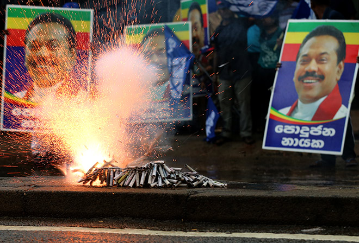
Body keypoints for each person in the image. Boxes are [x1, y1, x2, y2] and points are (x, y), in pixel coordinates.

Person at [278, 25, 347, 121]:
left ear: (339, 70)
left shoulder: (341, 118)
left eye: (322, 59)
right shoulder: (280, 116)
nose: (310, 68)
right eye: (304, 60)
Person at [212, 0, 254, 145]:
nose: (224, 11)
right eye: (221, 9)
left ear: (231, 10)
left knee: (244, 104)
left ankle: (246, 133)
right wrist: (215, 72)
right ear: (220, 12)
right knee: (225, 104)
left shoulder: (241, 23)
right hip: (225, 73)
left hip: (242, 70)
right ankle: (226, 132)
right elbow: (216, 52)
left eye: (226, 9)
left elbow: (254, 15)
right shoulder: (218, 30)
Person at [15, 12, 80, 104]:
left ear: (72, 55)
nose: (42, 54)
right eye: (34, 46)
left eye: (53, 46)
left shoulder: (84, 104)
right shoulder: (13, 102)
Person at [252, 13, 284, 133]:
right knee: (262, 101)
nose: (264, 19)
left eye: (267, 16)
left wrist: (282, 45)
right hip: (262, 69)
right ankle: (264, 129)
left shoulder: (281, 33)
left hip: (274, 72)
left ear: (274, 18)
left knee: (274, 101)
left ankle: (275, 128)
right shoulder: (262, 32)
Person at [140, 28, 170, 102]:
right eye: (148, 54)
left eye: (161, 52)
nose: (155, 60)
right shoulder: (133, 92)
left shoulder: (183, 90)